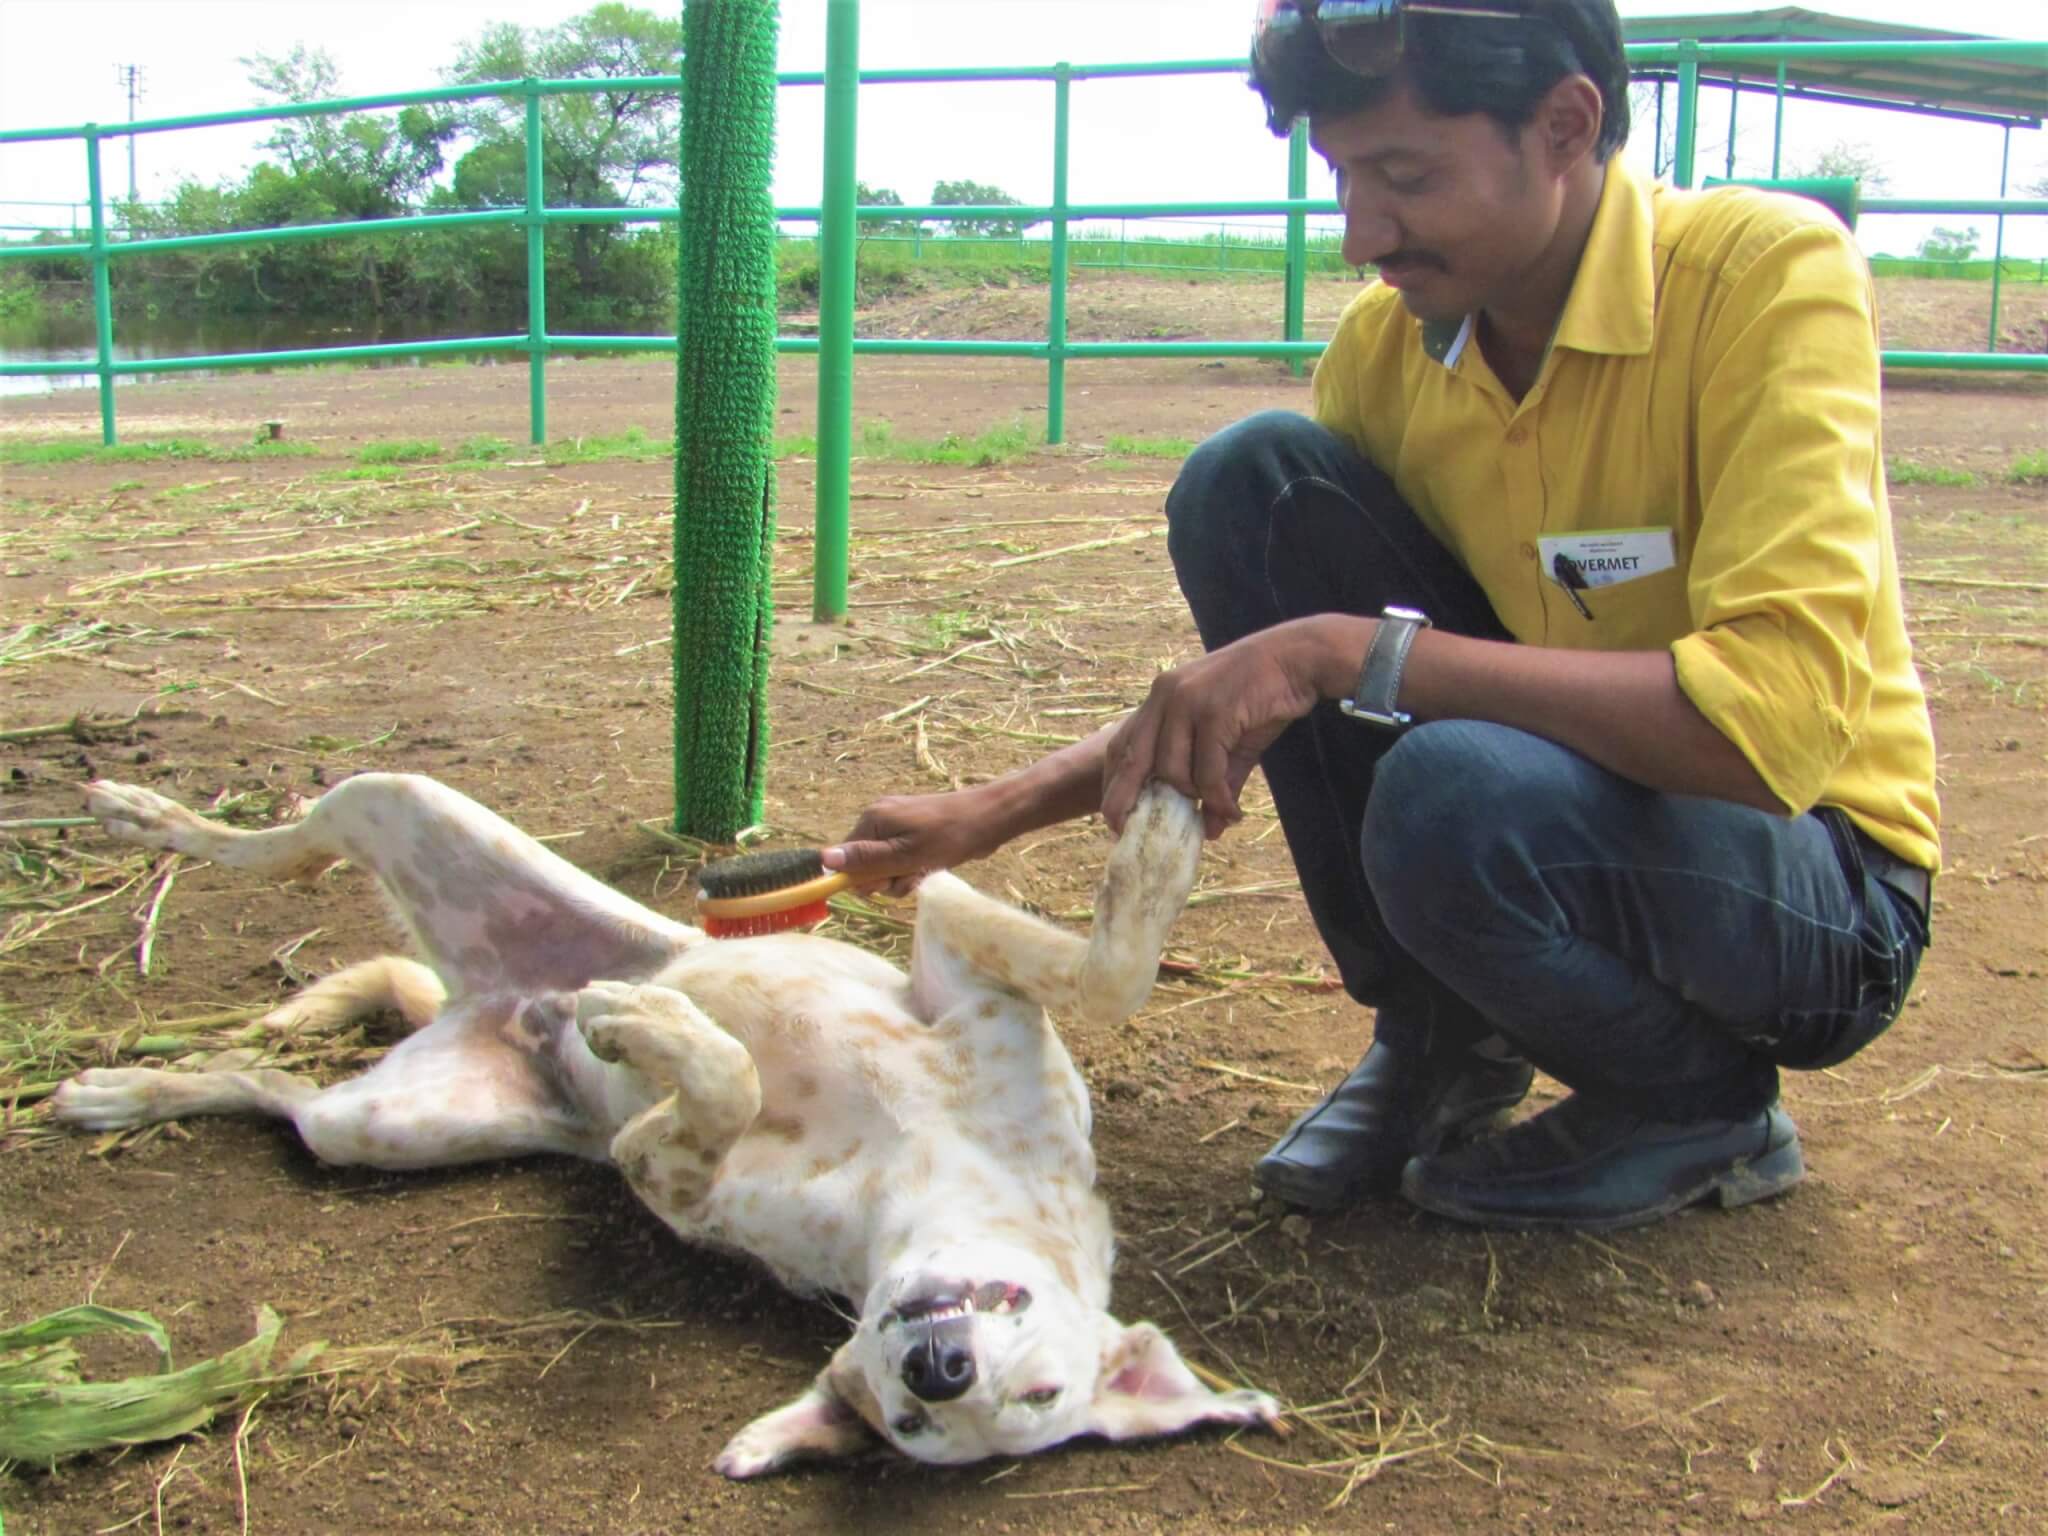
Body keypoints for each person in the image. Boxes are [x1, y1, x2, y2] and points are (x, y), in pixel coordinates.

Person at [823, 0, 1938, 1233]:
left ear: (1564, 124)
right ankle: (1440, 1037)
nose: (1361, 232)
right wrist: (992, 812)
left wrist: (1355, 651)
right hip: (1549, 793)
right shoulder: (1389, 350)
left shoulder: (1763, 277)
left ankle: (1698, 1101)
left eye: (1405, 175)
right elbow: (1276, 684)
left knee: (1450, 783)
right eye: (1343, 176)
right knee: (1251, 483)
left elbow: (1761, 730)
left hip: (1815, 882)